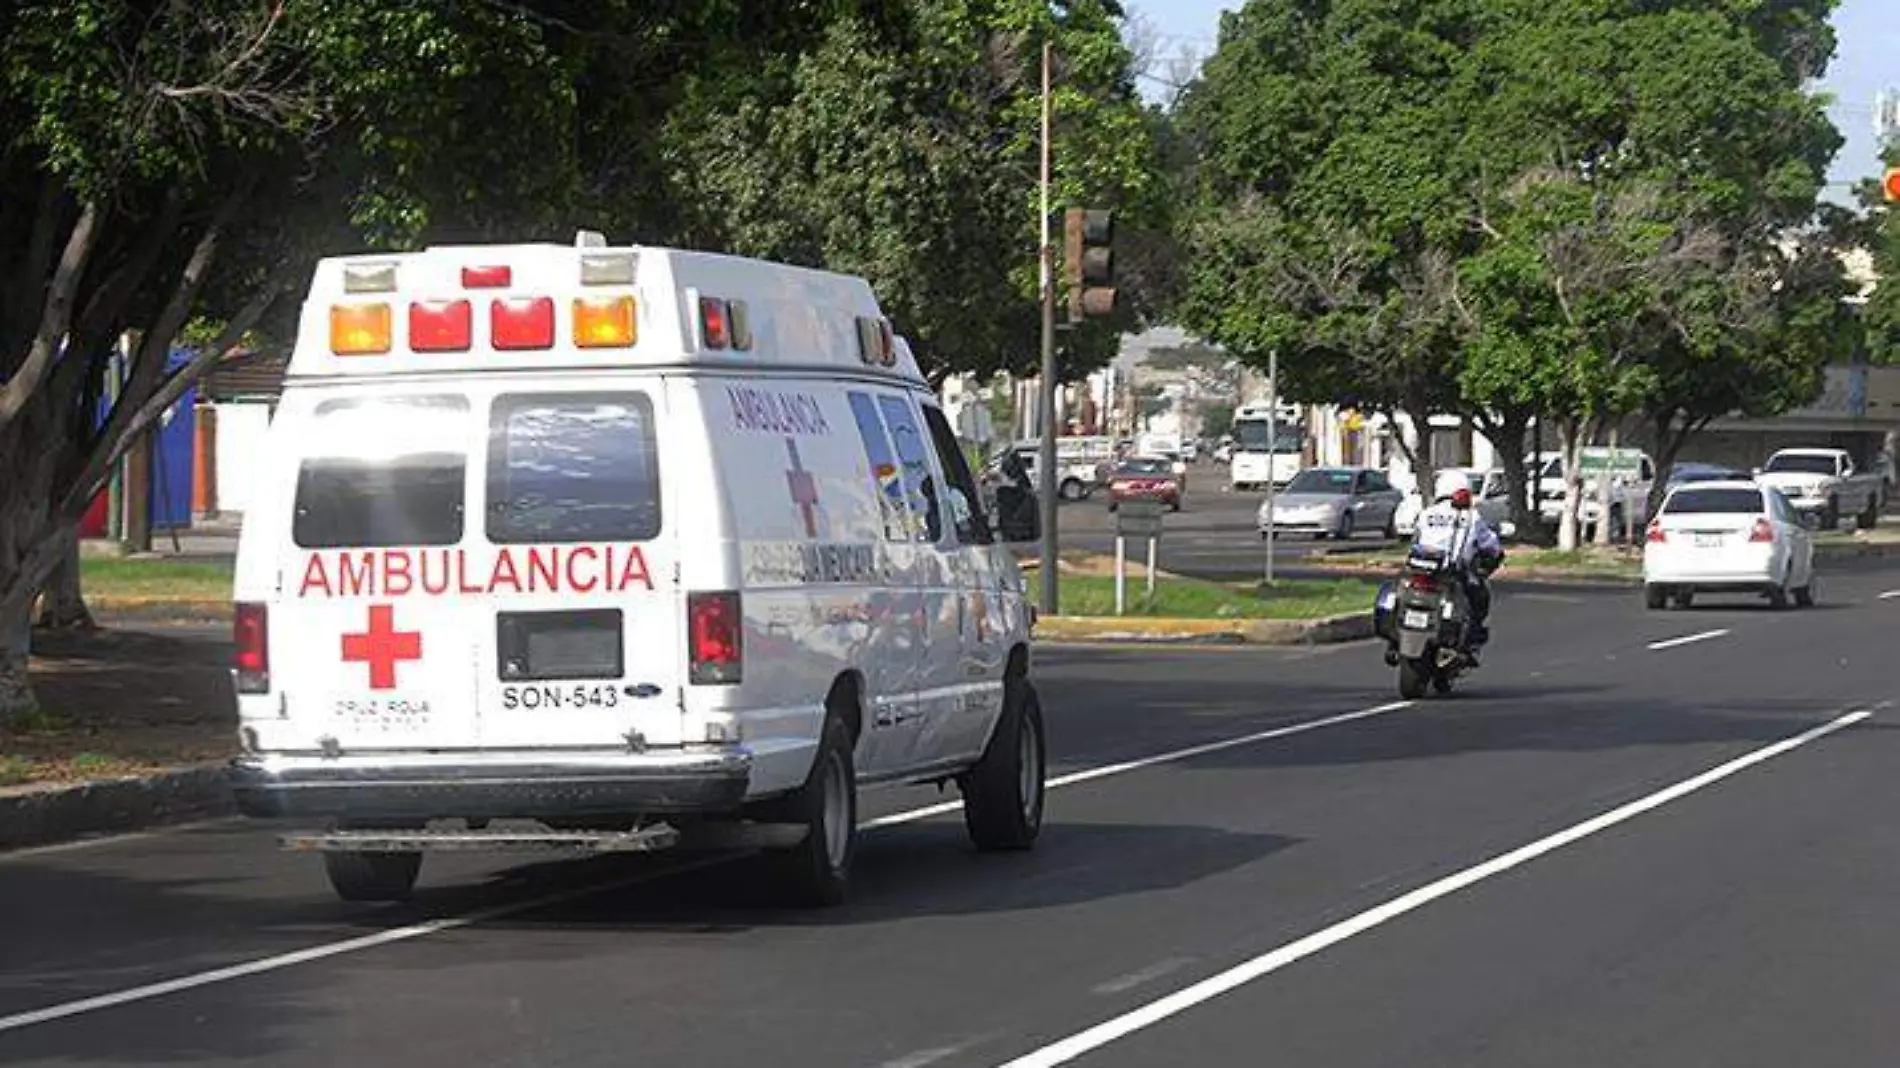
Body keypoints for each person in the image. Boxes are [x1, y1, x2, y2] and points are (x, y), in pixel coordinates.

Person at [1410, 484, 1504, 657]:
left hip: (1420, 570)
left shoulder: (1426, 513)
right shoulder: (1471, 517)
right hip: (1452, 571)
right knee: (1480, 595)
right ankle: (1470, 640)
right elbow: (1491, 546)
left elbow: (1415, 540)